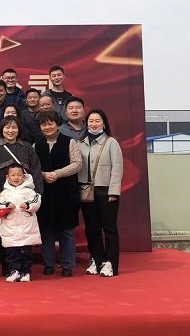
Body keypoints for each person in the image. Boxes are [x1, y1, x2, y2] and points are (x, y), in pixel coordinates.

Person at [0, 116, 44, 276]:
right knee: (3, 232)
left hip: (25, 195)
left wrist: (38, 191)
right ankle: (8, 267)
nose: (10, 131)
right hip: (3, 195)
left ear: (19, 129)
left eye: (14, 127)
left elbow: (36, 169)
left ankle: (24, 268)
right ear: (2, 129)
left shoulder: (27, 147)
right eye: (7, 127)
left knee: (25, 232)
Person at [34, 111, 82, 277]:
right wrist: (43, 175)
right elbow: (32, 167)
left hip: (66, 192)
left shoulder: (69, 142)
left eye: (50, 123)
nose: (47, 127)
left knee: (66, 230)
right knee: (46, 230)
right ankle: (48, 264)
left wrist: (57, 174)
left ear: (57, 124)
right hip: (45, 192)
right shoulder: (36, 144)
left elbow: (77, 164)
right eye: (43, 124)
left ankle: (67, 265)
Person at [78, 109, 123, 277]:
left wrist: (114, 192)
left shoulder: (111, 142)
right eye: (91, 121)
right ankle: (97, 260)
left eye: (97, 121)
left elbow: (117, 169)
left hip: (106, 191)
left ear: (104, 123)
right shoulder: (79, 143)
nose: (94, 124)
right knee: (92, 229)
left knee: (109, 229)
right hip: (86, 192)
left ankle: (111, 263)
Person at [0, 164, 42, 282]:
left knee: (26, 252)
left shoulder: (30, 192)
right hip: (10, 228)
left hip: (26, 227)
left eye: (19, 175)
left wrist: (28, 205)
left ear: (24, 177)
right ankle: (14, 271)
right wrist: (6, 205)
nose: (16, 177)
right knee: (11, 252)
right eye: (13, 175)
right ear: (7, 177)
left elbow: (37, 201)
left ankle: (26, 272)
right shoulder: (4, 193)